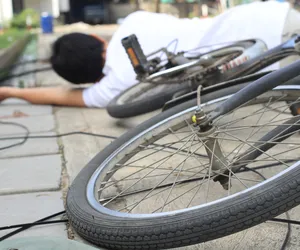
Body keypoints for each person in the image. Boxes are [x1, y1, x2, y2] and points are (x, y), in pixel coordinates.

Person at [0, 1, 298, 108]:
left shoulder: (111, 89)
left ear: (82, 79)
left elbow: (63, 96)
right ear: (94, 36)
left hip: (270, 62)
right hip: (267, 17)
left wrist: (10, 91)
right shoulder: (133, 22)